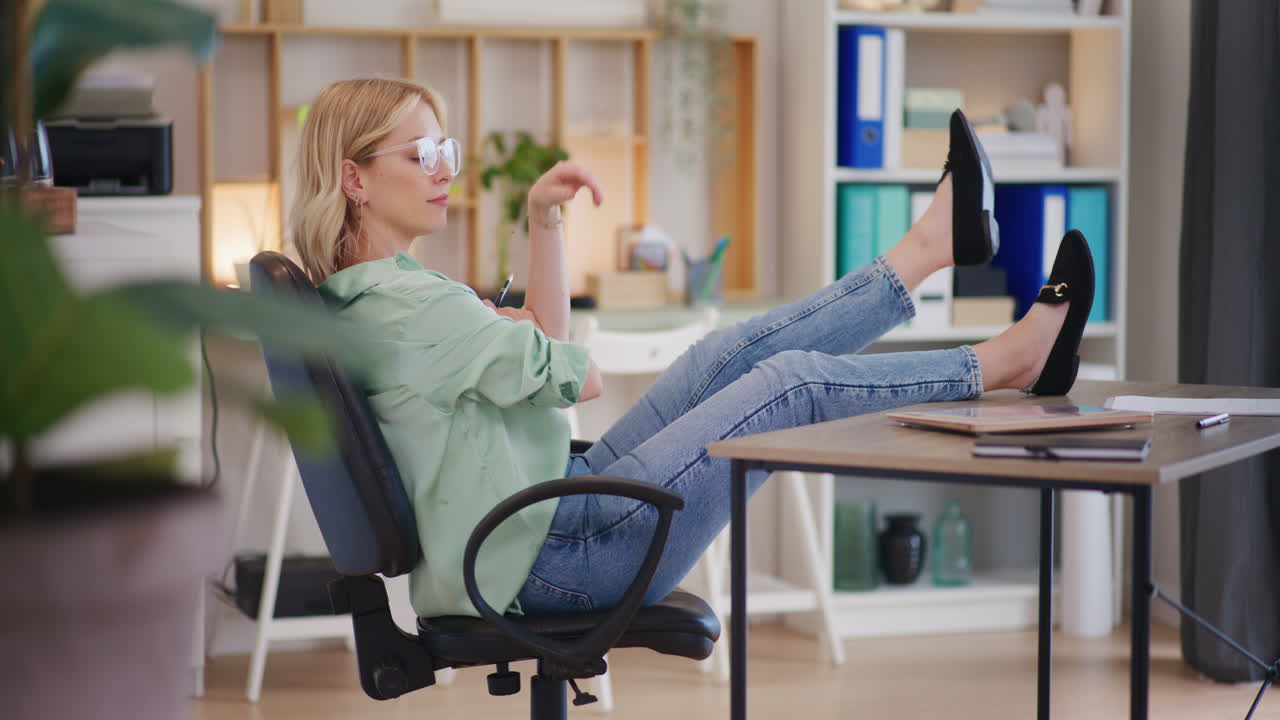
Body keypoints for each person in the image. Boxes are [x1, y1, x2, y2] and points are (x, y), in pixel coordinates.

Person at [294, 77, 1094, 618]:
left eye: (446, 152)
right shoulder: (409, 308)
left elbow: (540, 345)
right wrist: (505, 334)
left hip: (548, 510)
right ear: (354, 180)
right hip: (558, 554)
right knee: (788, 388)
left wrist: (542, 222)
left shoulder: (380, 293)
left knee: (728, 353)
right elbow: (579, 374)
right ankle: (1010, 362)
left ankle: (928, 245)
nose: (443, 172)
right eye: (420, 156)